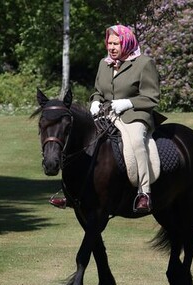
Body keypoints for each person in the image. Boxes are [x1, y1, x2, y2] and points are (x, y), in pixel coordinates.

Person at [50, 24, 162, 213]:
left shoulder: (144, 63)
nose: (111, 48)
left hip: (134, 115)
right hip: (107, 115)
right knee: (81, 141)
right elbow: (98, 92)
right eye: (109, 43)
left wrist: (128, 103)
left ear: (126, 42)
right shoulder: (105, 63)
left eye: (116, 44)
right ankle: (71, 193)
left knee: (136, 142)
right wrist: (94, 101)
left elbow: (152, 97)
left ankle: (144, 193)